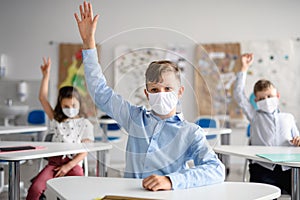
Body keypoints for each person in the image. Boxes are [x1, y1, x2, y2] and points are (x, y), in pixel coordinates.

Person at [74, 1, 225, 191]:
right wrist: (89, 45)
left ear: (180, 92)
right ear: (146, 94)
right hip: (130, 195)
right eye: (154, 90)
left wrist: (171, 181)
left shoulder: (190, 132)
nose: (161, 94)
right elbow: (99, 91)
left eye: (167, 88)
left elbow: (216, 170)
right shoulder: (134, 117)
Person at [26, 57, 94, 200]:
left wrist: (68, 166)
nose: (70, 109)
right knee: (35, 189)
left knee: (79, 193)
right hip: (54, 164)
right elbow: (43, 98)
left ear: (79, 105)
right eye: (66, 107)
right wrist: (46, 76)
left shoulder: (86, 124)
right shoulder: (56, 119)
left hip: (73, 164)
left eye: (73, 106)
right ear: (60, 106)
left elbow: (85, 151)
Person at [234, 53, 300, 195]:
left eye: (269, 96)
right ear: (256, 101)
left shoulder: (288, 118)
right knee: (262, 195)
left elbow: (298, 140)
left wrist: (298, 141)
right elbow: (238, 95)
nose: (266, 100)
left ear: (277, 96)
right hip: (262, 169)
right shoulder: (255, 116)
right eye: (262, 98)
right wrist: (243, 68)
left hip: (288, 168)